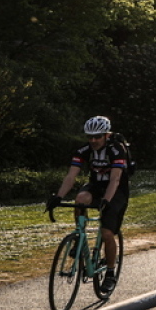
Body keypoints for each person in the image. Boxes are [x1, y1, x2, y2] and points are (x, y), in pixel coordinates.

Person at [47, 116, 130, 294]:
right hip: (96, 186)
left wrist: (106, 201)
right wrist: (58, 196)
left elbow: (115, 179)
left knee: (107, 233)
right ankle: (79, 236)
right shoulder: (84, 150)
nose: (93, 140)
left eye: (97, 137)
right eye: (90, 137)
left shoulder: (116, 150)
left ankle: (109, 273)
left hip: (116, 191)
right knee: (81, 198)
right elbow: (71, 176)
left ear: (106, 135)